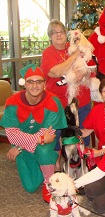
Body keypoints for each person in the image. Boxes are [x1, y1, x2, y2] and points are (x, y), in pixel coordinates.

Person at [0, 64, 67, 202]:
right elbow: (12, 135)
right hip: (22, 147)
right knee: (30, 186)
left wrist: (22, 144)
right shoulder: (12, 102)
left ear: (44, 84)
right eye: (30, 81)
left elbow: (48, 135)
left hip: (39, 146)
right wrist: (35, 141)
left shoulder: (53, 101)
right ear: (24, 84)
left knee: (43, 150)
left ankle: (49, 182)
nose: (35, 85)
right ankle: (46, 165)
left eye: (39, 81)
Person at [40, 19, 94, 148]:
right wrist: (74, 56)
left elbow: (91, 66)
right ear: (50, 36)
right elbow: (55, 72)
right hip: (59, 103)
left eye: (61, 32)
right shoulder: (48, 53)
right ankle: (58, 164)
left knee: (82, 134)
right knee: (58, 136)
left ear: (66, 34)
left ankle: (83, 161)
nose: (58, 35)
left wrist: (84, 73)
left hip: (81, 101)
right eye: (54, 32)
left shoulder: (75, 45)